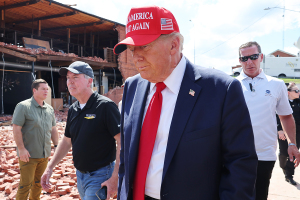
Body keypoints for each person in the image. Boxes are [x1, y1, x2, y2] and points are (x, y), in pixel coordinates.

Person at [113, 5, 258, 200]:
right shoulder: (132, 86)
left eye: (144, 46)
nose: (135, 55)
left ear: (173, 45)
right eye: (132, 48)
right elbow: (126, 155)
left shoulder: (220, 89)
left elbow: (240, 165)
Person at [40, 61, 121, 200]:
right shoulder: (73, 109)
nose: (70, 82)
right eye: (68, 78)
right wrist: (50, 166)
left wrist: (115, 177)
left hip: (100, 175)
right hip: (80, 175)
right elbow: (66, 140)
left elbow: (122, 142)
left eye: (75, 77)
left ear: (90, 81)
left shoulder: (105, 106)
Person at [236, 41, 300, 200]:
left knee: (260, 194)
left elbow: (285, 116)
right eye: (244, 58)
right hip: (236, 155)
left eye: (253, 57)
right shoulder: (231, 85)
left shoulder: (277, 84)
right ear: (240, 61)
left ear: (261, 57)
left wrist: (292, 143)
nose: (249, 62)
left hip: (265, 154)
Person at [12, 79, 58, 200]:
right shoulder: (23, 106)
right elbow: (16, 128)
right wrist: (21, 149)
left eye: (47, 89)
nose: (46, 91)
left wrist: (57, 146)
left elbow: (53, 129)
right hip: (28, 156)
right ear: (34, 90)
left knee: (38, 184)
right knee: (25, 185)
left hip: (44, 155)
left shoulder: (49, 109)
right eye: (43, 89)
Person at [277, 82, 300, 185]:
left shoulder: (299, 102)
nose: (298, 92)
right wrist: (279, 129)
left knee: (293, 153)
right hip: (284, 132)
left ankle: (289, 175)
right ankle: (283, 167)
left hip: (297, 133)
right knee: (283, 153)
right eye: (296, 91)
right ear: (288, 92)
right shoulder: (282, 102)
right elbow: (277, 116)